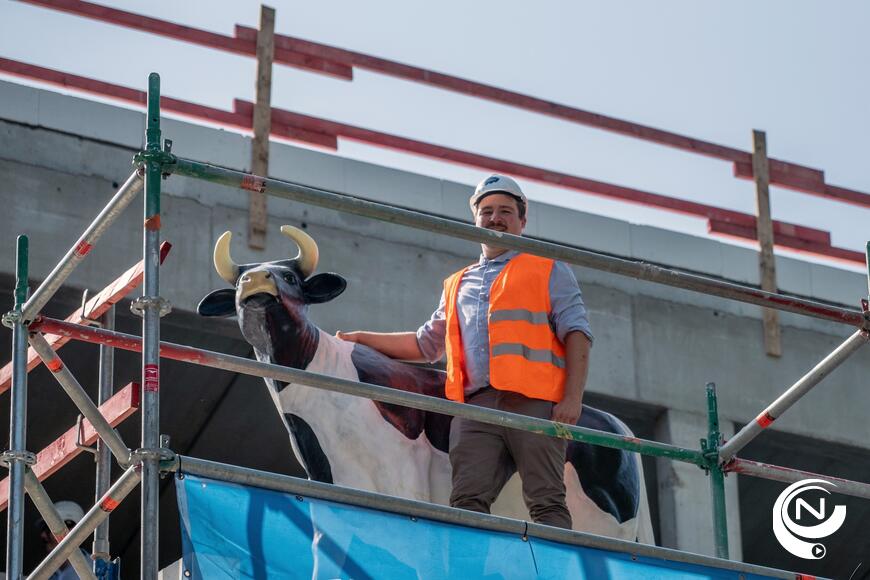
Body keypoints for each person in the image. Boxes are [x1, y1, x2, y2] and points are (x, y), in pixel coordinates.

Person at [338, 174, 593, 529]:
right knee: (465, 504)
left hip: (535, 404)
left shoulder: (549, 268)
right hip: (476, 408)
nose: (495, 218)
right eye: (486, 211)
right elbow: (425, 344)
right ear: (475, 219)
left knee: (547, 501)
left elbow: (577, 333)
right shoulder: (457, 283)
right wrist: (361, 338)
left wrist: (572, 398)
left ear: (522, 221)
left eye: (505, 211)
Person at [36, 500, 89, 580]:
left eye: (48, 529)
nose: (43, 535)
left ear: (70, 529)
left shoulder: (98, 571)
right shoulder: (47, 575)